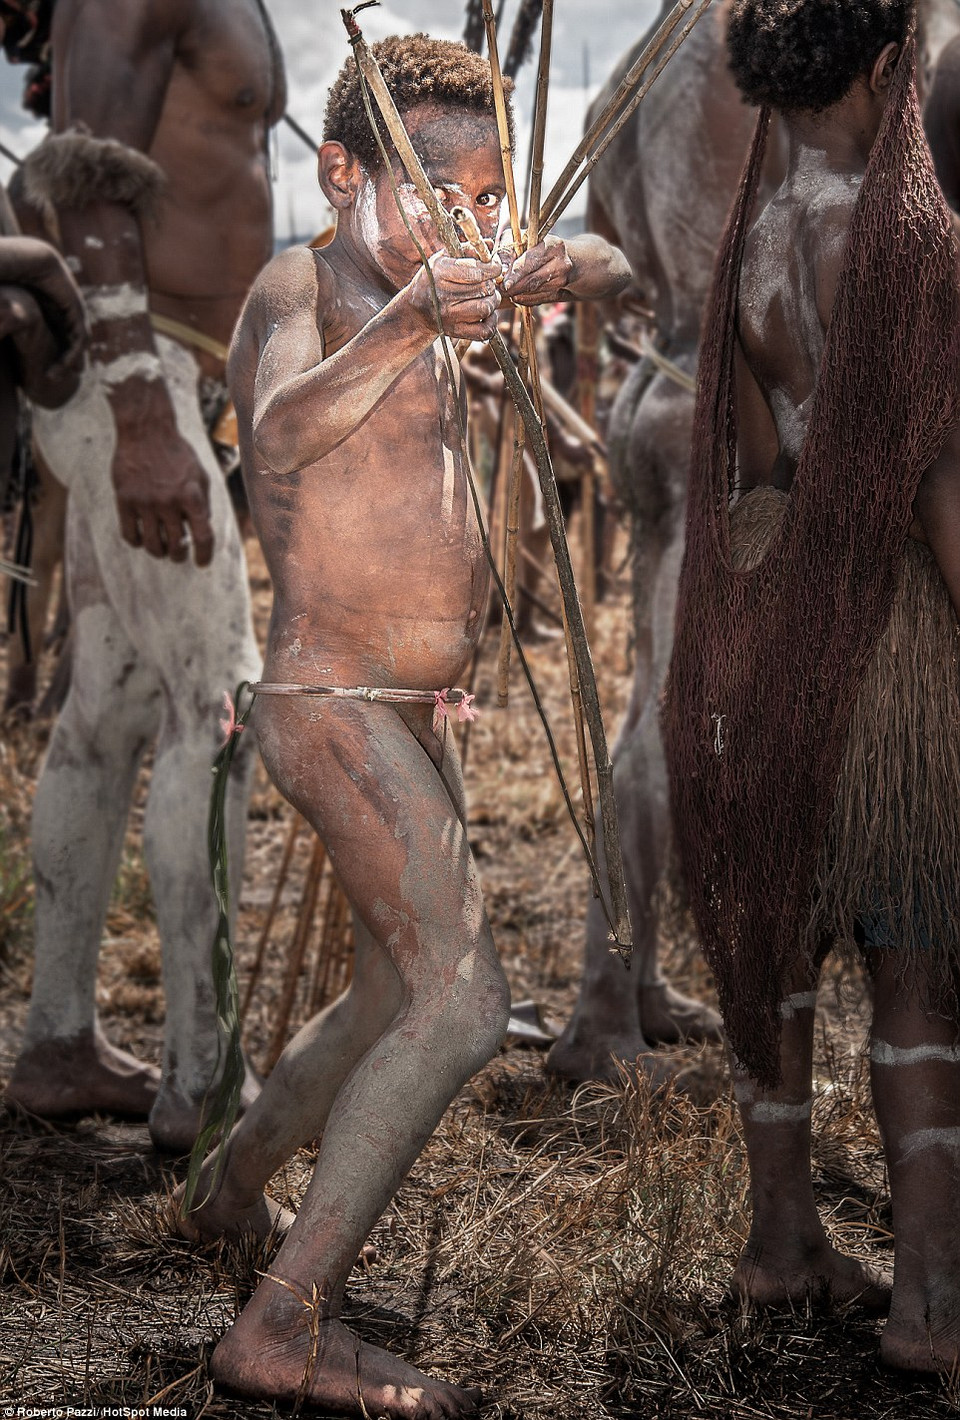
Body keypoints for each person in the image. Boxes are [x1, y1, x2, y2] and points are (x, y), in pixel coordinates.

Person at [178, 34, 630, 1415]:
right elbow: (277, 432)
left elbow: (615, 264)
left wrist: (548, 270)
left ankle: (230, 1188)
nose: (472, 223)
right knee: (465, 1005)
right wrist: (413, 323)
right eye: (446, 195)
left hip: (407, 708)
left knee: (389, 991)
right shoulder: (306, 286)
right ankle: (281, 1325)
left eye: (492, 199)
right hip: (329, 702)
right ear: (343, 173)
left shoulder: (436, 292)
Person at [663, 0, 960, 1373]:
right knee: (915, 966)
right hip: (887, 642)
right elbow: (936, 472)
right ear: (889, 65)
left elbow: (759, 458)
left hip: (763, 618)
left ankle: (781, 1244)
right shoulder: (911, 239)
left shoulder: (754, 240)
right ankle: (930, 1306)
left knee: (777, 947)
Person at [4, 0, 285, 1152]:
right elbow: (83, 181)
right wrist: (142, 417)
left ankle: (59, 1041)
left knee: (107, 710)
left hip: (155, 380)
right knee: (217, 708)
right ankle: (205, 1075)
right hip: (140, 379)